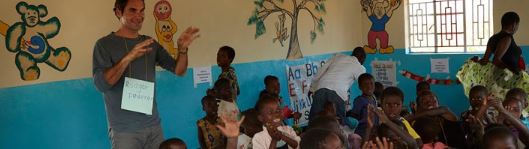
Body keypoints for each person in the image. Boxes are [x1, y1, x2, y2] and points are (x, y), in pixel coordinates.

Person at [92, 0, 200, 148]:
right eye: (132, 10)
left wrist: (182, 49)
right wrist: (129, 57)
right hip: (124, 131)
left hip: (153, 126)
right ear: (118, 12)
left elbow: (179, 70)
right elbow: (101, 85)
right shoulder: (104, 45)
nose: (139, 15)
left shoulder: (150, 43)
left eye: (142, 10)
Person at [457, 11, 526, 99]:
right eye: (517, 25)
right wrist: (512, 71)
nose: (517, 28)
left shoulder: (492, 39)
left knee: (499, 103)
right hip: (507, 79)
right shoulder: (507, 38)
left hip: (497, 78)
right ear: (514, 25)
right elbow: (496, 60)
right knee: (510, 103)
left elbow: (485, 61)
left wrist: (478, 60)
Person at [309, 47, 367, 126]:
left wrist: (312, 88)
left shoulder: (338, 56)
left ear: (352, 54)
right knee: (338, 123)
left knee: (314, 120)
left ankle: (310, 137)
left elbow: (321, 70)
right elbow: (364, 82)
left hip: (321, 87)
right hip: (338, 94)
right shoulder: (359, 67)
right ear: (362, 59)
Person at [351, 73, 378, 138]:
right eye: (365, 84)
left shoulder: (374, 99)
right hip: (362, 133)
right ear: (360, 87)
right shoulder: (359, 100)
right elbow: (354, 117)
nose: (369, 86)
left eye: (371, 83)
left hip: (374, 132)